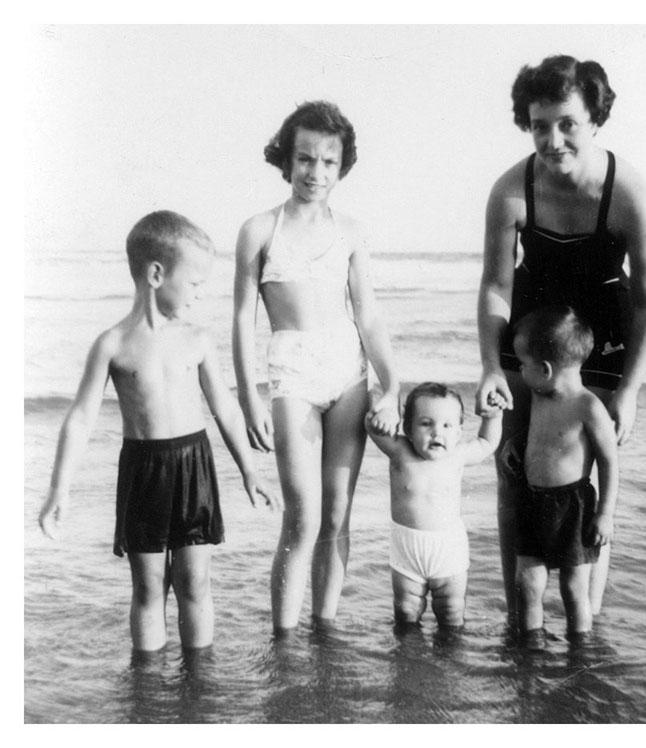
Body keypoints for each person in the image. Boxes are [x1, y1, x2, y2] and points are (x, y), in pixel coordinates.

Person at [476, 54, 646, 618]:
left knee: (584, 482)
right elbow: (494, 285)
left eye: (567, 124)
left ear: (596, 121)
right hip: (532, 326)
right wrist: (491, 364)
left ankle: (588, 624)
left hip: (603, 333)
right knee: (514, 470)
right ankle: (520, 621)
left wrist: (628, 391)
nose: (552, 139)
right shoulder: (511, 189)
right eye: (539, 125)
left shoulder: (632, 194)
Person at [38, 210, 280, 654]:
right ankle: (147, 687)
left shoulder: (198, 338)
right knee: (149, 588)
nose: (198, 295)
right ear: (155, 274)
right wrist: (60, 488)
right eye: (193, 284)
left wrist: (250, 470)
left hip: (194, 465)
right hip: (144, 470)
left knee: (195, 581)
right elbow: (81, 418)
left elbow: (224, 406)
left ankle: (198, 680)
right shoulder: (112, 343)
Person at [233, 100, 399, 633]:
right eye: (305, 159)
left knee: (336, 515)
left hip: (348, 372)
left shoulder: (351, 231)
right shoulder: (259, 230)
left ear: (342, 165)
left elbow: (368, 316)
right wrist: (248, 396)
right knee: (301, 517)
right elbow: (241, 320)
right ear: (287, 159)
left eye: (328, 162)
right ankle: (284, 640)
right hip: (292, 374)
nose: (315, 172)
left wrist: (391, 384)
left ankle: (325, 630)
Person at [504, 306, 618, 646]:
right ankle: (531, 647)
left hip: (574, 505)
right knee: (529, 581)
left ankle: (579, 651)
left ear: (546, 369)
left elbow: (610, 461)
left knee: (573, 588)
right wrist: (515, 442)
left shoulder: (588, 406)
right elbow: (541, 435)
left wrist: (605, 515)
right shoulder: (541, 394)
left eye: (523, 364)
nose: (521, 370)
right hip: (532, 498)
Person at [365, 382, 504, 629]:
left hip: (447, 549)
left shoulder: (458, 455)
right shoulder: (399, 451)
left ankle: (450, 663)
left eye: (447, 425)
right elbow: (372, 428)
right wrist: (383, 414)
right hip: (407, 549)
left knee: (451, 611)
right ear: (407, 427)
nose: (437, 433)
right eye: (426, 423)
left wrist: (493, 415)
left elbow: (486, 443)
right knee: (406, 610)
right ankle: (408, 661)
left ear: (460, 431)